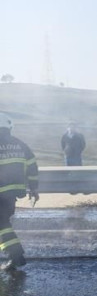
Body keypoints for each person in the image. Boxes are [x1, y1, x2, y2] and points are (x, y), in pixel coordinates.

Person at [0, 113, 38, 272]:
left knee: (2, 225)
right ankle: (15, 256)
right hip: (13, 194)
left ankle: (16, 256)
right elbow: (32, 167)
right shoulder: (21, 144)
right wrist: (34, 188)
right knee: (3, 224)